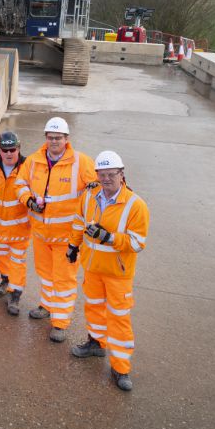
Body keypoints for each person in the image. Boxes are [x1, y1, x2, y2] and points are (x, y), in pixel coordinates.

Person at [68, 151, 150, 392]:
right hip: (92, 269)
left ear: (121, 174)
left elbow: (138, 243)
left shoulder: (136, 205)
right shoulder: (89, 197)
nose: (106, 179)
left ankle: (121, 368)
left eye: (111, 174)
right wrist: (73, 245)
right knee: (93, 309)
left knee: (119, 319)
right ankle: (96, 343)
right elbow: (78, 222)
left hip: (117, 274)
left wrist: (110, 238)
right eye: (101, 175)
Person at [16, 116, 97, 342]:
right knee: (45, 274)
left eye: (58, 138)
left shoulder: (82, 163)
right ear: (46, 138)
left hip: (67, 237)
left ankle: (60, 322)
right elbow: (20, 184)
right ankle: (47, 305)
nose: (54, 142)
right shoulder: (33, 161)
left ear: (66, 139)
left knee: (64, 279)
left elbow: (97, 189)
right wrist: (28, 201)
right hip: (41, 233)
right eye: (51, 137)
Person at [0, 131, 30, 316]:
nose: (9, 153)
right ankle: (5, 280)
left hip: (19, 228)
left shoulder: (28, 169)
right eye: (5, 150)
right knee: (1, 258)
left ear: (18, 149)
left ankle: (15, 295)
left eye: (13, 149)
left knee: (17, 262)